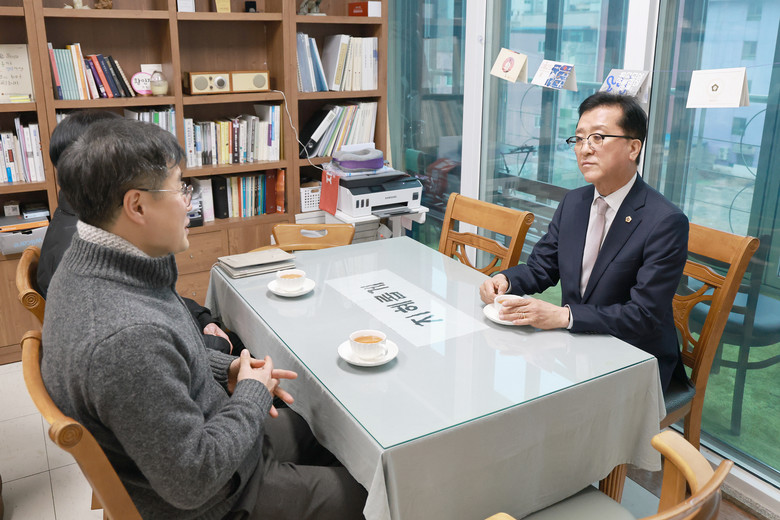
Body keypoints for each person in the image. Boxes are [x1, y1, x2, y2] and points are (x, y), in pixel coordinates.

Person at [41, 119, 367, 519]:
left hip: (212, 437)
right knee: (373, 496)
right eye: (180, 187)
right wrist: (250, 393)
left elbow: (163, 362)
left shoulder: (85, 262)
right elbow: (192, 481)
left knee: (330, 432)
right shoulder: (125, 338)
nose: (189, 201)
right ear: (136, 206)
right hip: (221, 497)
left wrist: (223, 368)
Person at [480, 92, 688, 392]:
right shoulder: (574, 202)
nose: (584, 149)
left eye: (598, 138)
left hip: (634, 358)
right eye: (578, 139)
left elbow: (643, 315)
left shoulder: (665, 221)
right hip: (575, 346)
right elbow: (542, 267)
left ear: (633, 148)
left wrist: (563, 315)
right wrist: (505, 281)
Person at [36, 110, 239, 355]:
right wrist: (219, 350)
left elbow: (155, 299)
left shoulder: (94, 231)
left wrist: (202, 318)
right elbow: (143, 342)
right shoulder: (84, 258)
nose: (187, 203)